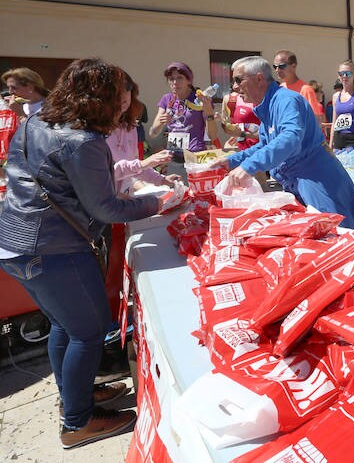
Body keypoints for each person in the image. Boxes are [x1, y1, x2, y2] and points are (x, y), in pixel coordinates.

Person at [0, 58, 163, 448]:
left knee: (65, 326)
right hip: (53, 249)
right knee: (88, 333)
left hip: (16, 245)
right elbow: (105, 208)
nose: (126, 103)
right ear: (104, 98)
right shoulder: (82, 141)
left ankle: (75, 397)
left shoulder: (36, 122)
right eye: (121, 96)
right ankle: (77, 422)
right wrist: (157, 202)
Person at [213, 57, 354, 228]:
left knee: (337, 241)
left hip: (318, 182)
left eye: (238, 80)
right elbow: (265, 145)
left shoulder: (286, 100)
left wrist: (248, 167)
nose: (235, 87)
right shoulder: (268, 105)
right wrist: (232, 161)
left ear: (259, 79)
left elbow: (291, 138)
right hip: (301, 183)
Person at [107, 74, 175, 194]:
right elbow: (105, 173)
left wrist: (162, 180)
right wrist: (143, 163)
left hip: (124, 199)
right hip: (105, 202)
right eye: (117, 92)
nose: (123, 96)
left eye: (127, 90)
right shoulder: (96, 130)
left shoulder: (130, 126)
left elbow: (136, 168)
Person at [148, 62, 215, 153]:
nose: (175, 82)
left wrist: (209, 112)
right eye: (171, 79)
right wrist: (160, 123)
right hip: (173, 155)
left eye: (179, 78)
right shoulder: (166, 99)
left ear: (189, 81)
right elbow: (152, 133)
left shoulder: (200, 99)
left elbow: (212, 136)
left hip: (195, 154)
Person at [273, 50, 326, 124]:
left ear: (293, 66)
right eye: (275, 67)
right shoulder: (280, 88)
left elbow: (315, 120)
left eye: (281, 66)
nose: (277, 70)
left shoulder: (306, 90)